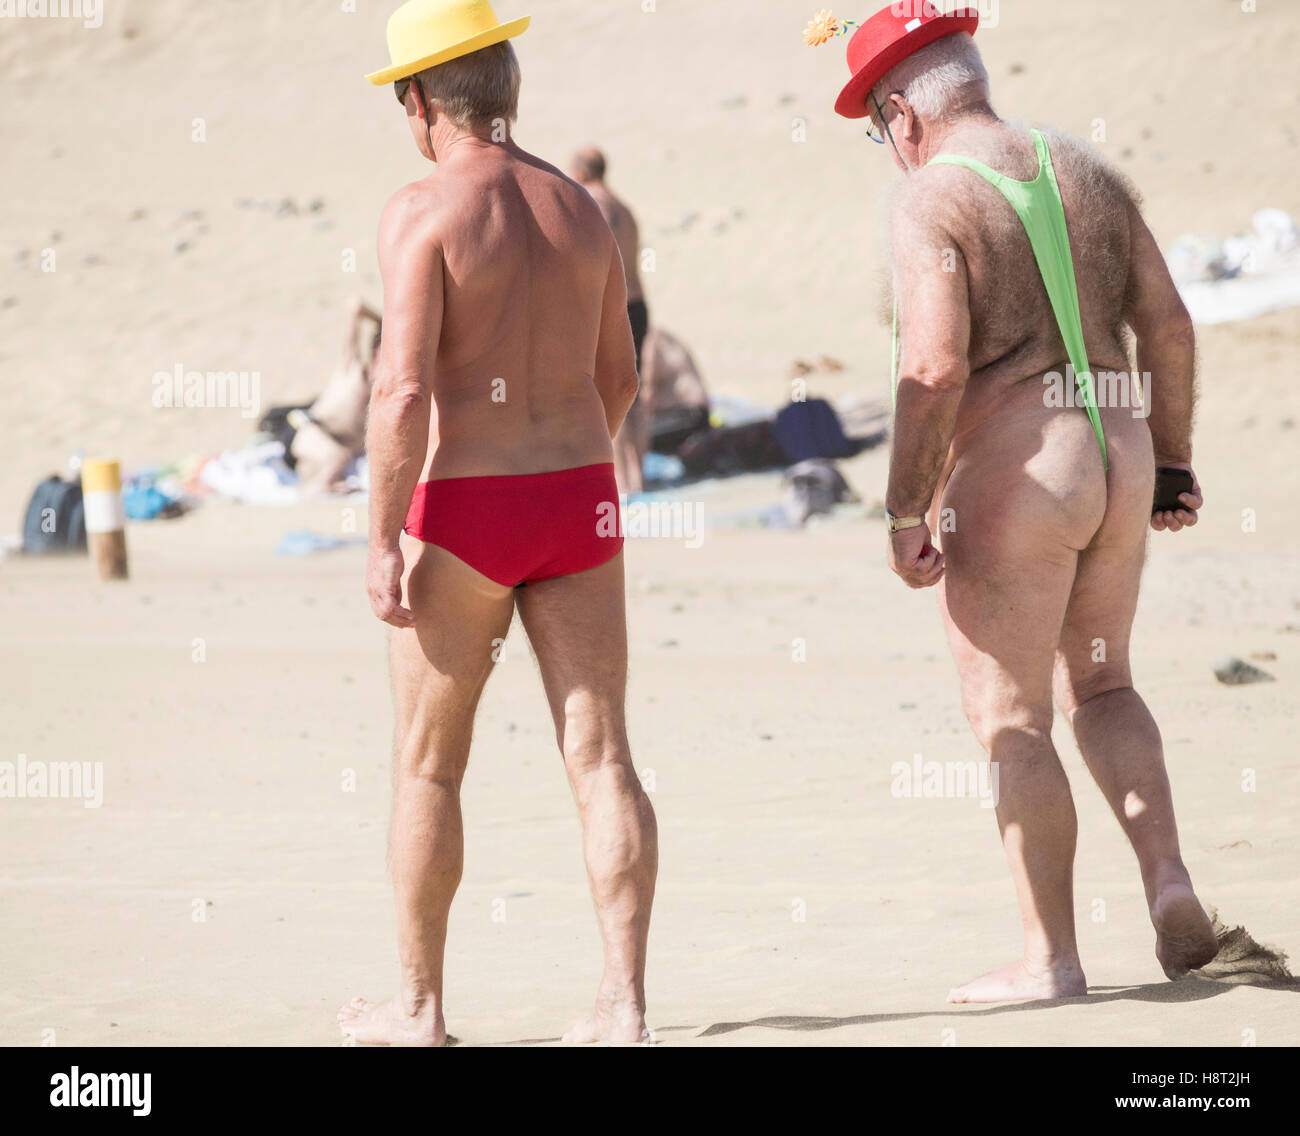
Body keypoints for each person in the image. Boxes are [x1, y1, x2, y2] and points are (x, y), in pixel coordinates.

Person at [824, 4, 1216, 1001]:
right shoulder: (1082, 167)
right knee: (1108, 685)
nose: (888, 150)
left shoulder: (930, 201)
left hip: (1019, 474)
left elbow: (934, 361)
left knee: (1011, 716)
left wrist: (903, 510)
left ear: (903, 117)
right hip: (1118, 453)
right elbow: (1167, 327)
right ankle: (1168, 876)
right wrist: (1171, 462)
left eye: (879, 131)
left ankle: (1051, 958)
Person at [341, 0, 658, 1046]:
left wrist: (385, 536)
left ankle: (420, 1010)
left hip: (466, 506)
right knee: (602, 754)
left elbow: (399, 394)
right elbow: (619, 375)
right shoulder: (583, 210)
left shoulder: (422, 211)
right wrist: (564, 466)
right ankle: (622, 1005)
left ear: (421, 98)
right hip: (578, 495)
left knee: (428, 764)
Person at [569, 145, 650, 494]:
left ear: (583, 171)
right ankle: (639, 477)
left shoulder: (591, 201)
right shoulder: (625, 209)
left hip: (611, 304)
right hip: (639, 304)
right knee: (634, 388)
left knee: (608, 390)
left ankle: (620, 481)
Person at [289, 297, 382, 496]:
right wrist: (382, 322)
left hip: (334, 454)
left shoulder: (387, 390)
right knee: (340, 456)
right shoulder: (351, 370)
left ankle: (327, 485)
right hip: (315, 437)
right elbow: (355, 306)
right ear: (374, 354)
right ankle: (320, 488)